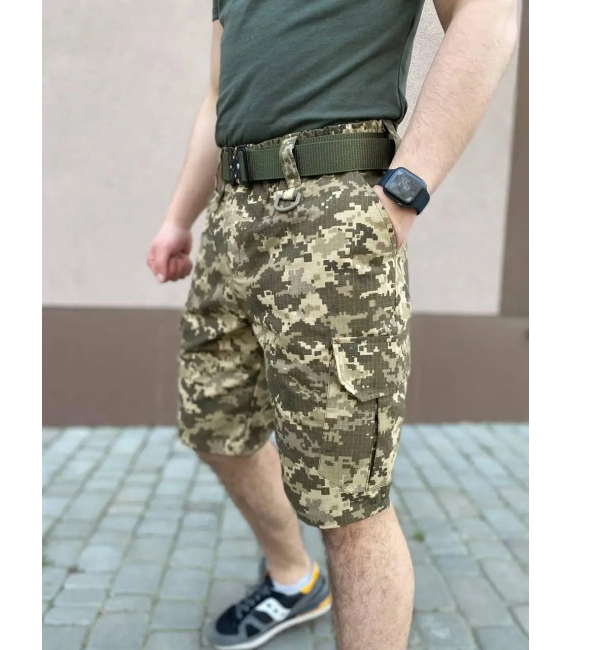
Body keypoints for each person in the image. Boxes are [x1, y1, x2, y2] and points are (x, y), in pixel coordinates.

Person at [147, 1, 518, 648]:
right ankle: (293, 579)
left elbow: (488, 14)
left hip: (330, 215)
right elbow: (217, 97)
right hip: (231, 218)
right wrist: (180, 218)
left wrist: (405, 192)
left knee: (347, 504)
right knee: (215, 427)